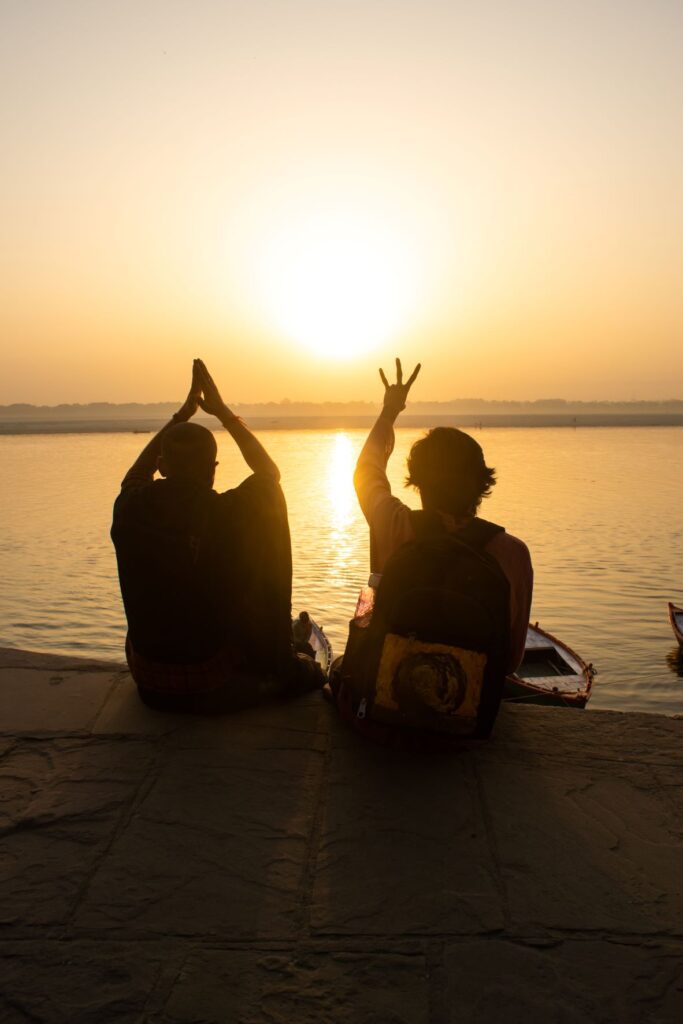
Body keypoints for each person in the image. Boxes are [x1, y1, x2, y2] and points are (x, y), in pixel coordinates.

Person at [331, 358, 533, 742]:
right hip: (466, 726)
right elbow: (510, 660)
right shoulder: (512, 553)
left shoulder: (395, 524)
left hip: (383, 715)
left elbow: (366, 472)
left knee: (340, 664)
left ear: (417, 481)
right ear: (481, 484)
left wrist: (390, 410)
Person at [111, 359, 323, 712]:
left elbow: (135, 475)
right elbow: (269, 475)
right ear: (212, 471)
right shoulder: (227, 513)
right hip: (210, 681)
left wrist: (182, 416)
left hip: (149, 680)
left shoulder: (130, 506)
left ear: (162, 467)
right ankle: (281, 655)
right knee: (302, 667)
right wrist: (224, 413)